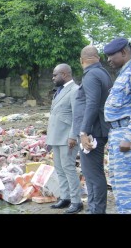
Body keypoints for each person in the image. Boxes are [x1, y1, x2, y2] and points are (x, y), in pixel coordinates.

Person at [73, 45, 113, 214]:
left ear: (82, 61)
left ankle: (96, 210)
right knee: (94, 173)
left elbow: (92, 104)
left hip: (92, 133)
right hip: (98, 130)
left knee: (92, 174)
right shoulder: (103, 73)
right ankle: (95, 209)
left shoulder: (90, 75)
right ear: (98, 57)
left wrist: (83, 132)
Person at [103, 37, 131, 214]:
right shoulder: (123, 73)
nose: (108, 60)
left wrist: (129, 137)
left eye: (111, 55)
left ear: (123, 52)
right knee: (118, 184)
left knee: (129, 189)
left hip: (127, 135)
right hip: (117, 133)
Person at [46, 63, 82, 214]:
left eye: (55, 75)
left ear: (65, 74)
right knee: (59, 169)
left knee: (68, 169)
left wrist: (73, 136)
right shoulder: (59, 91)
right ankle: (65, 197)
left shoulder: (75, 90)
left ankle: (76, 201)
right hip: (56, 136)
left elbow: (77, 116)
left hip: (67, 138)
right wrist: (48, 139)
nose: (53, 78)